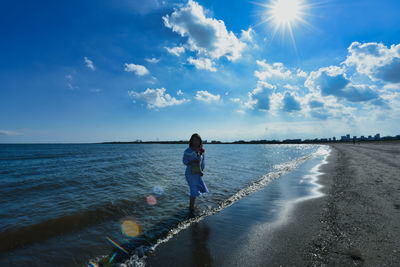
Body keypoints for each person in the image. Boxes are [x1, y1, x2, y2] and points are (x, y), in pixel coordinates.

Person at [182, 133, 208, 212]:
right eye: (194, 140)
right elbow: (184, 161)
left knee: (196, 189)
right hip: (190, 173)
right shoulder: (188, 150)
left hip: (197, 173)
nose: (195, 142)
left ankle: (191, 206)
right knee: (193, 190)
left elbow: (203, 162)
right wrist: (193, 161)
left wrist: (202, 171)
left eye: (197, 140)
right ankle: (191, 208)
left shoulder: (201, 151)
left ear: (200, 141)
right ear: (191, 141)